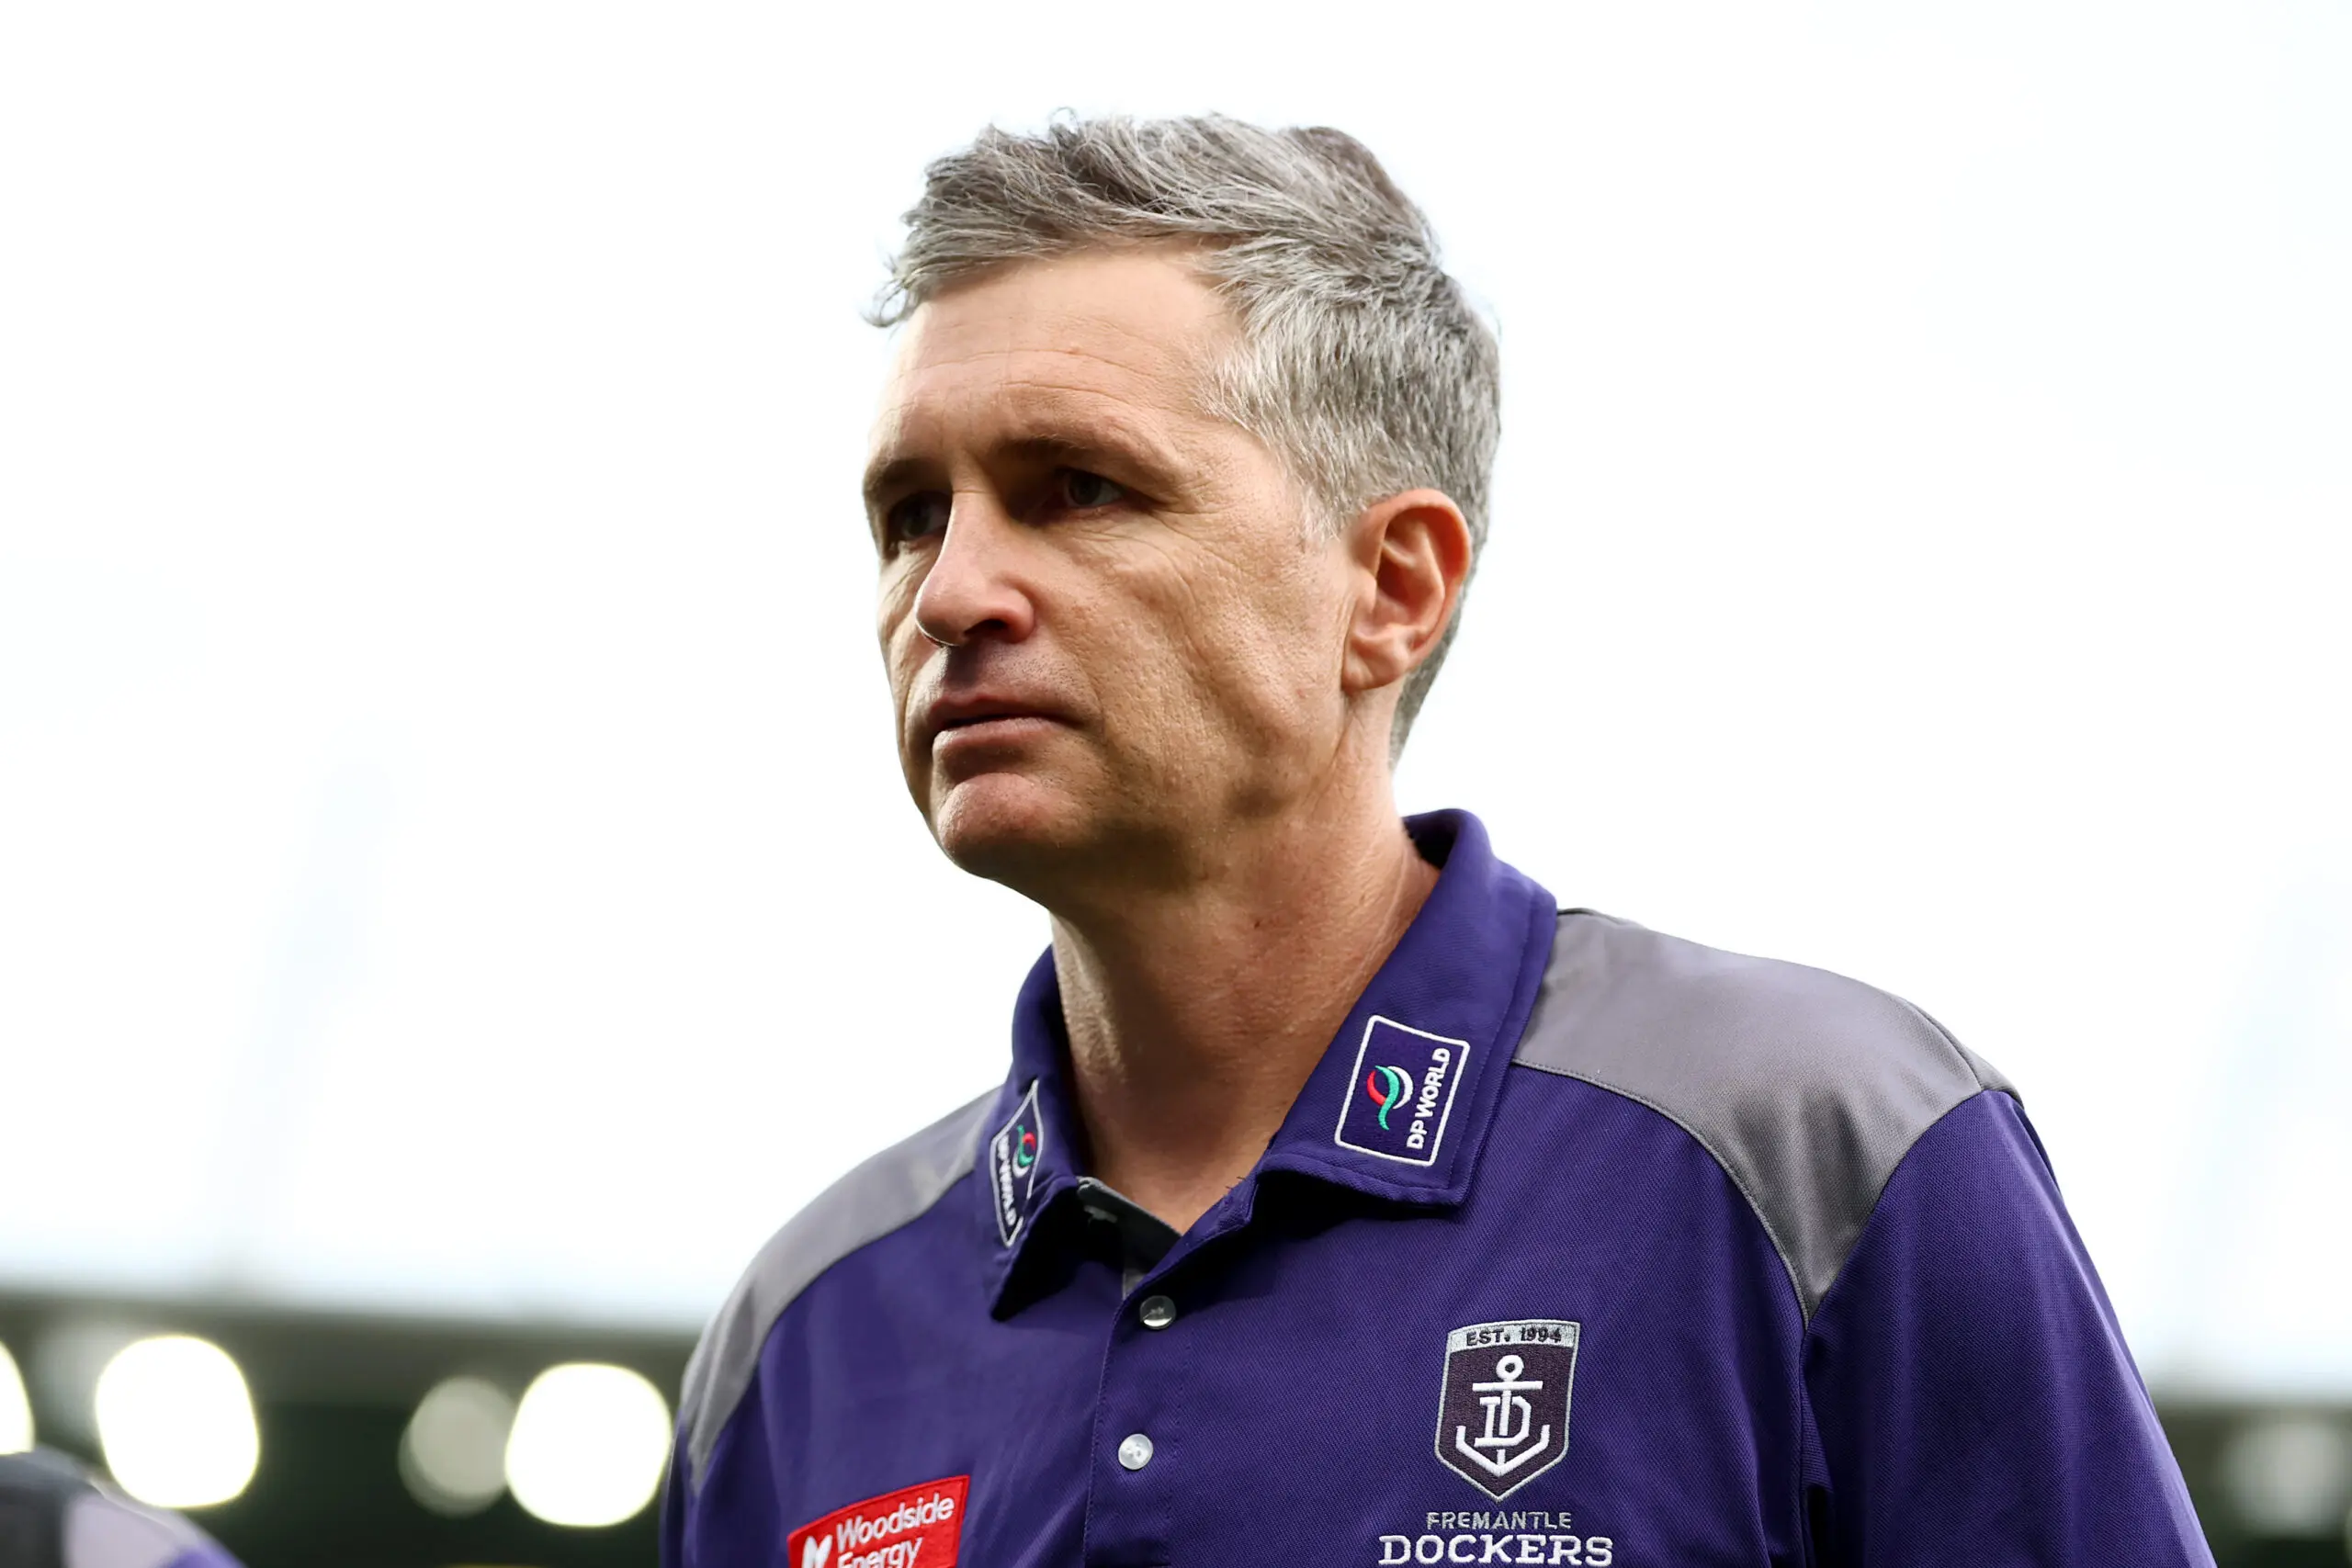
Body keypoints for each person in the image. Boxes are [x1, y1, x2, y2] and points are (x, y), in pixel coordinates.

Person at [662, 115, 2211, 1566]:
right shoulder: (799, 1338)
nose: (949, 595)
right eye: (912, 512)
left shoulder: (1818, 1147)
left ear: (1394, 587)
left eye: (1078, 489)